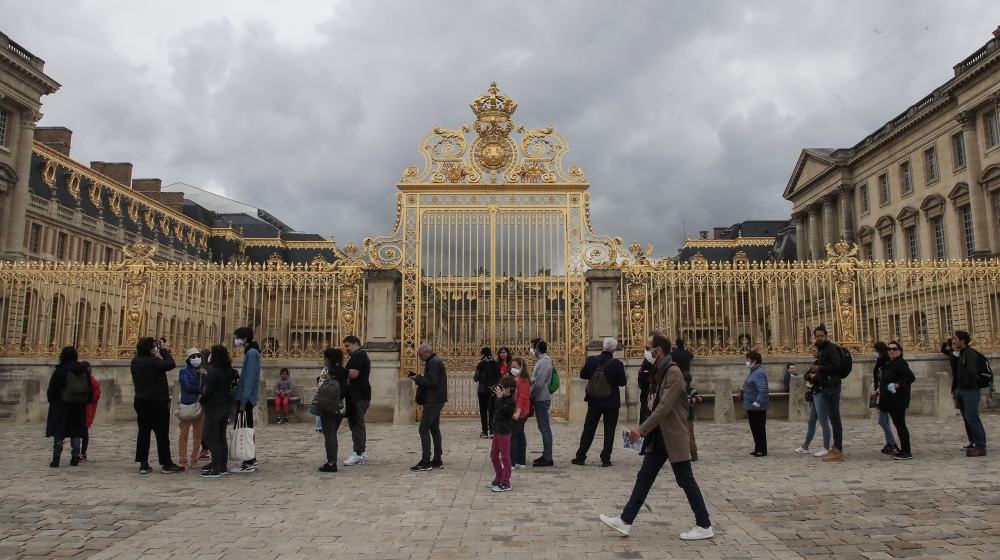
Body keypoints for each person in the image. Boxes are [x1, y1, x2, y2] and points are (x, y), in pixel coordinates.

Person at [600, 333, 713, 540]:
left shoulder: (673, 372)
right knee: (644, 478)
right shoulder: (660, 371)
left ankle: (704, 525)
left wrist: (641, 429)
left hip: (672, 434)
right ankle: (625, 521)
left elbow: (663, 407)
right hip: (660, 435)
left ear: (658, 350)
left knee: (685, 480)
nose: (645, 350)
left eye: (647, 347)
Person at [131, 336, 183, 474]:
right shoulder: (154, 362)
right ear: (150, 349)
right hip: (157, 401)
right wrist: (164, 350)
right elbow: (170, 364)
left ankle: (143, 463)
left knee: (143, 432)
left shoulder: (135, 361)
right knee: (161, 434)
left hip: (141, 401)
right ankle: (166, 463)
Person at [572, 337, 627, 467]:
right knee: (609, 430)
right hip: (611, 401)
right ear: (614, 350)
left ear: (602, 347)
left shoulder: (592, 360)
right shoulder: (618, 364)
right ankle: (605, 458)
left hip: (594, 399)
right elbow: (622, 383)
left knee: (589, 428)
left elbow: (583, 375)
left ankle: (581, 456)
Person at [46, 346, 93, 468]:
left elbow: (52, 388)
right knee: (76, 432)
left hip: (61, 405)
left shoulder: (61, 370)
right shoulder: (83, 369)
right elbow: (89, 388)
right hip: (78, 405)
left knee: (59, 432)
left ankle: (56, 458)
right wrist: (85, 400)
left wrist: (52, 400)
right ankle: (75, 457)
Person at [408, 343, 448, 471]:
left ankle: (426, 461)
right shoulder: (434, 361)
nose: (420, 358)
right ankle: (437, 459)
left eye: (420, 355)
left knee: (423, 429)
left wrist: (418, 378)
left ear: (426, 352)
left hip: (433, 399)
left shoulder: (434, 362)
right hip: (437, 398)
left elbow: (432, 381)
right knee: (434, 429)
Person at [809, 324, 845, 462]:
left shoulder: (830, 348)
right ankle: (835, 448)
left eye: (822, 336)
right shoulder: (822, 350)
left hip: (832, 386)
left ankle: (838, 450)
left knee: (835, 419)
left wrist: (820, 368)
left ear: (826, 336)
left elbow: (836, 366)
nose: (819, 338)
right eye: (817, 336)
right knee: (832, 419)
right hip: (826, 386)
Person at [200, 345, 235, 478]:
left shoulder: (213, 372)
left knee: (213, 438)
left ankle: (215, 468)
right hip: (225, 406)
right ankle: (222, 465)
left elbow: (208, 392)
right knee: (221, 438)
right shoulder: (228, 370)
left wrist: (201, 400)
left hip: (214, 407)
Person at [952, 330, 988, 456]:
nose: (953, 341)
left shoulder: (970, 354)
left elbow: (972, 372)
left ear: (963, 340)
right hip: (964, 390)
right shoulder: (962, 354)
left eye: (955, 339)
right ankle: (976, 443)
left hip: (970, 390)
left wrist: (965, 385)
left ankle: (980, 446)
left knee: (972, 418)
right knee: (968, 418)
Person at [879, 341, 915, 460]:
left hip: (898, 400)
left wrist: (898, 385)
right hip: (892, 400)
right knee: (898, 424)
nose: (892, 351)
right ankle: (904, 449)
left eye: (894, 349)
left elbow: (910, 377)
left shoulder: (900, 364)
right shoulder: (892, 364)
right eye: (890, 349)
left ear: (900, 351)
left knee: (900, 425)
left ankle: (906, 450)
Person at [231, 327, 261, 473]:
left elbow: (249, 377)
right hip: (246, 395)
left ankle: (249, 461)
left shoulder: (251, 353)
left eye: (238, 337)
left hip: (246, 397)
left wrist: (243, 400)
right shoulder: (251, 352)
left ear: (244, 339)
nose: (236, 340)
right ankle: (250, 459)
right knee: (246, 427)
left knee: (246, 429)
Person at [795, 345, 831, 457]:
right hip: (814, 393)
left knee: (823, 421)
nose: (813, 352)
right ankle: (805, 445)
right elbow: (806, 375)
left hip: (821, 393)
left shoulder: (824, 364)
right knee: (811, 421)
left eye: (814, 350)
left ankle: (826, 447)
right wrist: (812, 376)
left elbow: (820, 377)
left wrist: (814, 376)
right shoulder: (815, 362)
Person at [343, 335, 372, 467]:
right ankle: (362, 451)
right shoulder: (360, 355)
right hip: (360, 393)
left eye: (348, 346)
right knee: (359, 423)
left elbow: (353, 374)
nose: (346, 349)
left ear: (355, 344)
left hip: (358, 394)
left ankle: (358, 452)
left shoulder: (359, 356)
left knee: (356, 423)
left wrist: (339, 372)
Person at [318, 348, 349, 472]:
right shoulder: (342, 370)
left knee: (329, 435)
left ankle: (331, 462)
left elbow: (320, 387)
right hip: (341, 406)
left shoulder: (327, 370)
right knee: (333, 433)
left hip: (328, 406)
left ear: (327, 359)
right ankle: (333, 460)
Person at [487, 376, 517, 492]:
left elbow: (501, 411)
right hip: (496, 431)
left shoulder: (511, 401)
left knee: (505, 457)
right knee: (493, 455)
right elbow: (491, 409)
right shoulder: (501, 398)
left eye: (502, 388)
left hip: (504, 432)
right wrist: (493, 396)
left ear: (508, 389)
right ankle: (498, 477)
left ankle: (506, 481)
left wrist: (499, 398)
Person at [177, 348, 205, 468]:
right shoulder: (184, 371)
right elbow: (186, 386)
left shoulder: (202, 371)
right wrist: (201, 390)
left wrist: (205, 375)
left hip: (199, 404)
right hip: (187, 403)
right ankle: (182, 459)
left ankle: (194, 459)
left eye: (198, 356)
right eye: (193, 357)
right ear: (188, 359)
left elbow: (208, 384)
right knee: (184, 434)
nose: (196, 359)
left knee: (198, 435)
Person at [529, 338, 554, 467]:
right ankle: (546, 454)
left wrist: (530, 395)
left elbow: (539, 383)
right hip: (540, 397)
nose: (531, 349)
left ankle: (548, 457)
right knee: (543, 427)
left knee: (545, 428)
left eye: (532, 347)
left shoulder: (544, 362)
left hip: (541, 397)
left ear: (537, 348)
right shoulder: (542, 361)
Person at [871, 342, 898, 454]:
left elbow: (884, 379)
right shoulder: (882, 361)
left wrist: (878, 390)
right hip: (881, 392)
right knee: (885, 420)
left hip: (884, 394)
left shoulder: (885, 362)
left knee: (882, 421)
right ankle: (889, 444)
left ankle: (893, 444)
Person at [741, 350, 769, 457]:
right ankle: (758, 447)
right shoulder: (753, 372)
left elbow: (763, 389)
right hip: (751, 404)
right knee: (754, 427)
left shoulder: (759, 373)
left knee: (759, 427)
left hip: (757, 405)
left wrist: (757, 402)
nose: (747, 362)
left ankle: (762, 449)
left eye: (748, 360)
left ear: (754, 361)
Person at [509, 357, 531, 470]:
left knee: (514, 437)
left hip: (520, 412)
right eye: (512, 367)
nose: (513, 369)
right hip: (519, 411)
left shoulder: (523, 381)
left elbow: (523, 398)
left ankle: (512, 462)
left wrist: (518, 412)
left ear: (521, 368)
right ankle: (520, 461)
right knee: (520, 435)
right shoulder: (515, 378)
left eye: (515, 367)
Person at [474, 347, 500, 438]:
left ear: (483, 354)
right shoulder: (496, 364)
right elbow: (499, 376)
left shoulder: (481, 364)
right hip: (493, 390)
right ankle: (492, 431)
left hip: (482, 391)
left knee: (483, 410)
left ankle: (485, 431)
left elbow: (476, 378)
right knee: (492, 410)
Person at [81, 361, 100, 462]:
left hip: (87, 409)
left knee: (84, 432)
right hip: (81, 408)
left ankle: (82, 451)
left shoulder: (93, 382)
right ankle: (77, 451)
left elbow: (96, 396)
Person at [682, 371, 702, 461]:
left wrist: (690, 401)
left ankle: (693, 452)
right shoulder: (677, 389)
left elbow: (700, 397)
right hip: (679, 415)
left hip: (688, 415)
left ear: (685, 381)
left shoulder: (690, 390)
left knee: (690, 434)